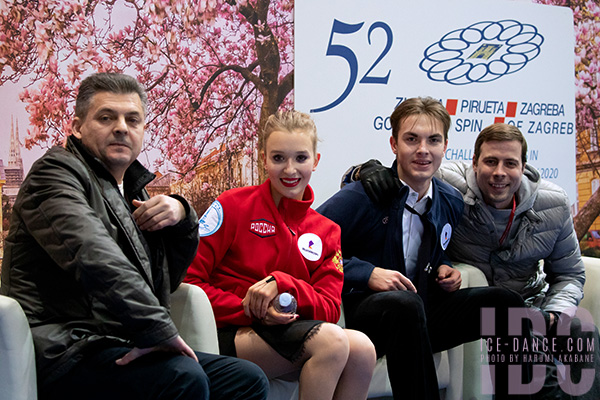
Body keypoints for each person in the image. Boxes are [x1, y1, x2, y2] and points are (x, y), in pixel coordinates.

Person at [0, 72, 269, 400]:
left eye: (133, 119)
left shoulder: (132, 191)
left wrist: (182, 217)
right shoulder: (54, 174)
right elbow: (93, 255)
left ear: (142, 131)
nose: (121, 127)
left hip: (114, 343)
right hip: (64, 349)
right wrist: (156, 331)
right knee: (181, 378)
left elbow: (164, 282)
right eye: (105, 117)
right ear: (76, 127)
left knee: (245, 379)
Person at [352, 122, 599, 399]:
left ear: (525, 167)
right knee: (518, 335)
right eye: (490, 162)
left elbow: (570, 274)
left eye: (510, 163)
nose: (499, 173)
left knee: (578, 328)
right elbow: (405, 172)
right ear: (474, 163)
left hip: (534, 302)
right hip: (479, 303)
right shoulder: (450, 183)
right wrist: (363, 170)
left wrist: (555, 312)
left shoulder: (553, 202)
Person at [317, 97, 531, 400]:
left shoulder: (450, 200)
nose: (422, 150)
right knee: (404, 305)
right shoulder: (364, 194)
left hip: (419, 312)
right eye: (411, 139)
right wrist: (365, 273)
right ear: (394, 144)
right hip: (365, 315)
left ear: (445, 145)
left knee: (504, 304)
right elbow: (306, 246)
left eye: (433, 140)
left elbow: (434, 246)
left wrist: (445, 266)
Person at [184, 110, 376, 400]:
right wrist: (249, 307)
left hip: (287, 332)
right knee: (332, 342)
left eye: (300, 158)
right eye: (278, 158)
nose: (289, 170)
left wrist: (284, 283)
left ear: (316, 160)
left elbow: (329, 308)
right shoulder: (233, 205)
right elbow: (190, 281)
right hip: (228, 328)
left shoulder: (326, 230)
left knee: (363, 349)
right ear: (264, 159)